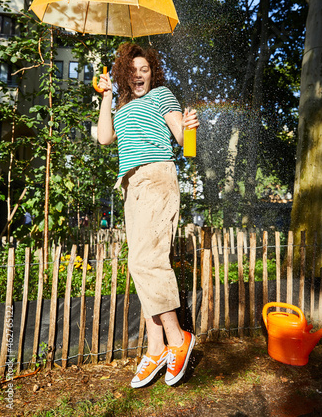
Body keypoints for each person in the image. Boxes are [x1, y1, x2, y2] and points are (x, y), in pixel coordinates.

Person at [97, 42, 199, 388]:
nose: (139, 75)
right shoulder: (123, 103)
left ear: (152, 72)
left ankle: (176, 338)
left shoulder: (162, 96)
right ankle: (156, 347)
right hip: (131, 184)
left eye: (145, 69)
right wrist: (106, 94)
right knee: (139, 263)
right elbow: (104, 138)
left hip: (157, 176)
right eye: (133, 70)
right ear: (125, 74)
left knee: (148, 261)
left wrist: (191, 128)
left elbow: (184, 142)